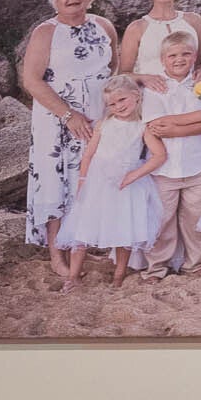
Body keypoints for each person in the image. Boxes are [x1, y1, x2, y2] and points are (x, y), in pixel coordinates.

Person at [18, 0, 117, 251]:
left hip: (98, 116)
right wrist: (68, 114)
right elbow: (31, 81)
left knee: (92, 176)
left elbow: (114, 67)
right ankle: (57, 252)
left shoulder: (104, 25)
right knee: (56, 181)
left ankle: (85, 244)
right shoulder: (46, 32)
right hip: (57, 119)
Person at [55, 74, 167, 287]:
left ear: (136, 95)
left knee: (123, 228)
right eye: (112, 104)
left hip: (126, 185)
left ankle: (118, 276)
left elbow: (160, 155)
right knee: (84, 226)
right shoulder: (104, 124)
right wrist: (82, 180)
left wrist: (134, 175)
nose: (118, 106)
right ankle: (73, 276)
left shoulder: (142, 127)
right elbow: (88, 155)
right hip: (97, 182)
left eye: (122, 100)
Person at [139, 29, 201, 275]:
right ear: (163, 59)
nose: (179, 59)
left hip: (198, 164)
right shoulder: (154, 88)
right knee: (161, 220)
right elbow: (156, 126)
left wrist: (175, 126)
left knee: (196, 219)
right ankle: (157, 266)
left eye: (186, 54)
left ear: (194, 56)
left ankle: (195, 264)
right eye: (172, 55)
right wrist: (199, 116)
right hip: (163, 168)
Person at [113, 0, 201, 77]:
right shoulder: (136, 28)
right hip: (149, 89)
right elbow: (123, 74)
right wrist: (144, 78)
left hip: (190, 88)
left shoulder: (194, 21)